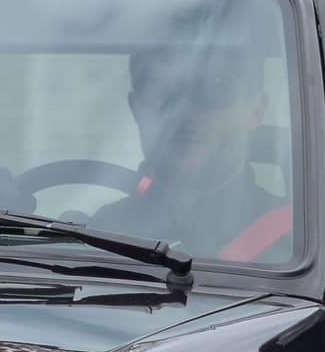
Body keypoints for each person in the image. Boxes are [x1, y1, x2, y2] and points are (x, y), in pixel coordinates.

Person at [92, 43, 292, 266]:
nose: (182, 112)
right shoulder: (100, 233)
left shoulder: (294, 241)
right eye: (160, 91)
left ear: (255, 111)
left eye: (215, 89)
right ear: (136, 108)